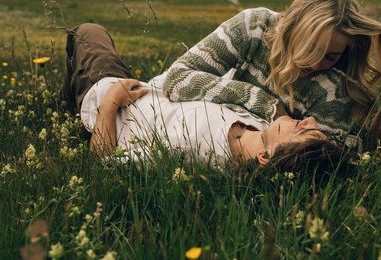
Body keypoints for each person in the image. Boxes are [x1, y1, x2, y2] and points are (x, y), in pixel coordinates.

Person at [63, 23, 348, 173]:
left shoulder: (195, 156)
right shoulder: (262, 126)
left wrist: (112, 101)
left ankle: (70, 95)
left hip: (108, 94)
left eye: (302, 130)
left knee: (88, 32)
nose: (308, 119)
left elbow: (103, 161)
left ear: (266, 158)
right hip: (153, 86)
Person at [162, 0, 381, 147]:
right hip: (174, 115)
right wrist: (266, 104)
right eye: (310, 47)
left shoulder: (334, 89)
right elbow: (176, 79)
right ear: (291, 26)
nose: (314, 63)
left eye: (330, 56)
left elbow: (321, 162)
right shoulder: (254, 27)